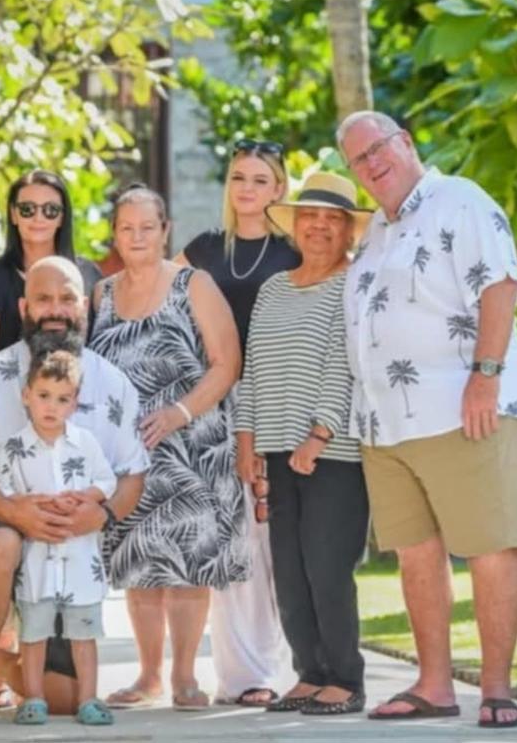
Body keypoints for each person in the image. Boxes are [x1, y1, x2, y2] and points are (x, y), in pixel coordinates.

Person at [338, 111, 517, 729]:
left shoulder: (459, 200)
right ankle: (434, 685)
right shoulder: (375, 230)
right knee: (416, 555)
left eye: (378, 148)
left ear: (406, 143)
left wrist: (485, 375)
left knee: (489, 545)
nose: (372, 163)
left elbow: (500, 285)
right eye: (358, 159)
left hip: (463, 408)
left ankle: (497, 690)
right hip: (387, 426)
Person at [0, 256, 148, 732]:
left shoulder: (114, 384)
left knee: (66, 700)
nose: (56, 310)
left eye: (67, 299)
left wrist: (104, 515)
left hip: (70, 545)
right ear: (24, 307)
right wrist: (12, 511)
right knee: (1, 543)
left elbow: (133, 474)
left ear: (84, 307)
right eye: (44, 299)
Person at [89, 185, 248, 712]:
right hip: (129, 457)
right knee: (138, 566)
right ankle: (148, 675)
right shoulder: (101, 295)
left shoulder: (193, 284)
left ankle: (184, 675)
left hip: (192, 448)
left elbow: (227, 363)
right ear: (115, 234)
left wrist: (179, 412)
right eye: (126, 228)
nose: (136, 236)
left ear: (165, 231)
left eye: (147, 227)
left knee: (187, 567)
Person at [235, 171, 372, 715]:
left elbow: (346, 364)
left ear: (349, 231)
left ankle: (346, 678)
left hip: (332, 453)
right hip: (274, 450)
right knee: (289, 572)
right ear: (295, 226)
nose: (319, 226)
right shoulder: (272, 288)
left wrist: (320, 433)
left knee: (326, 566)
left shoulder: (354, 284)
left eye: (332, 219)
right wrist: (247, 441)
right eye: (310, 216)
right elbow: (252, 370)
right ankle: (310, 674)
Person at [175, 139, 298, 707]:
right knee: (234, 538)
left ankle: (283, 666)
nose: (247, 189)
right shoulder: (204, 248)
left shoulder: (295, 250)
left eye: (260, 179)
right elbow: (162, 304)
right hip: (215, 403)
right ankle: (244, 676)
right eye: (239, 178)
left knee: (278, 537)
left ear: (280, 188)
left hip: (281, 401)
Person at [0, 349, 116, 727]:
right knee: (34, 634)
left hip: (79, 559)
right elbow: (2, 492)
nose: (52, 406)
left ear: (75, 403)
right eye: (44, 395)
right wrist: (31, 503)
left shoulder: (86, 443)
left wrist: (85, 498)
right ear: (26, 395)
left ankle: (89, 700)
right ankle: (33, 698)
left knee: (83, 634)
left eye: (63, 399)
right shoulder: (13, 448)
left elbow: (107, 480)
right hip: (36, 561)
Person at [0, 169, 102, 357]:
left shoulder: (89, 274)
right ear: (13, 214)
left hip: (78, 375)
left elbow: (97, 347)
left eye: (50, 210)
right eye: (27, 209)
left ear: (62, 217)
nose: (38, 218)